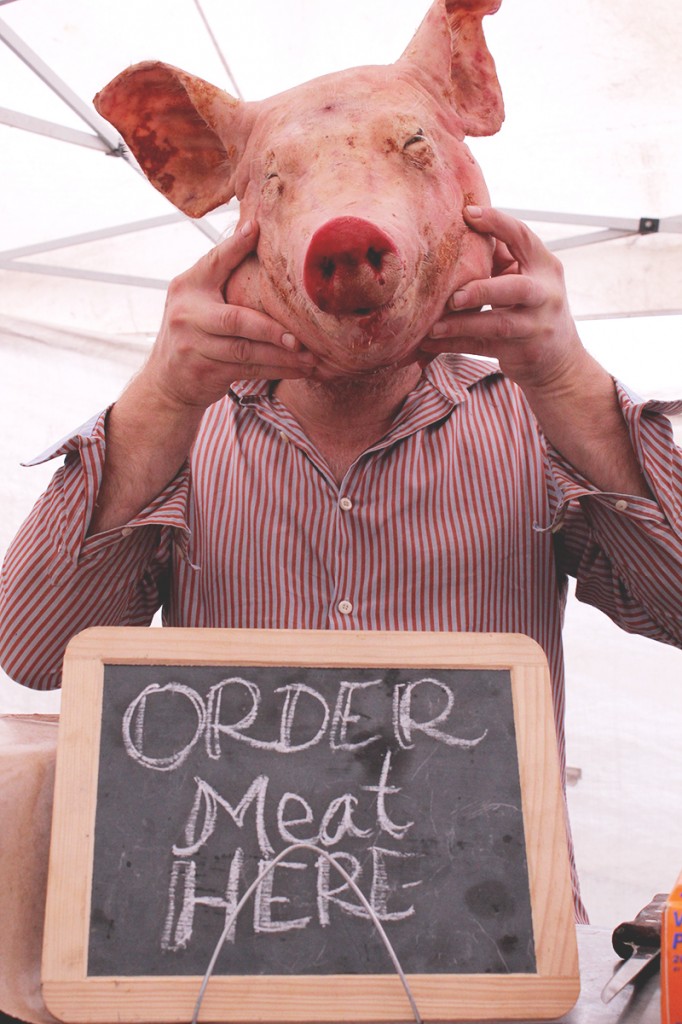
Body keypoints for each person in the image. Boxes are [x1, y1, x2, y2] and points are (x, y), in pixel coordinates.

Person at [1, 207, 681, 918]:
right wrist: (162, 396)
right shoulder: (178, 429)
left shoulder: (536, 414)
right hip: (233, 943)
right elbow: (34, 651)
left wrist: (570, 378)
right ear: (246, 268)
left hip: (487, 949)